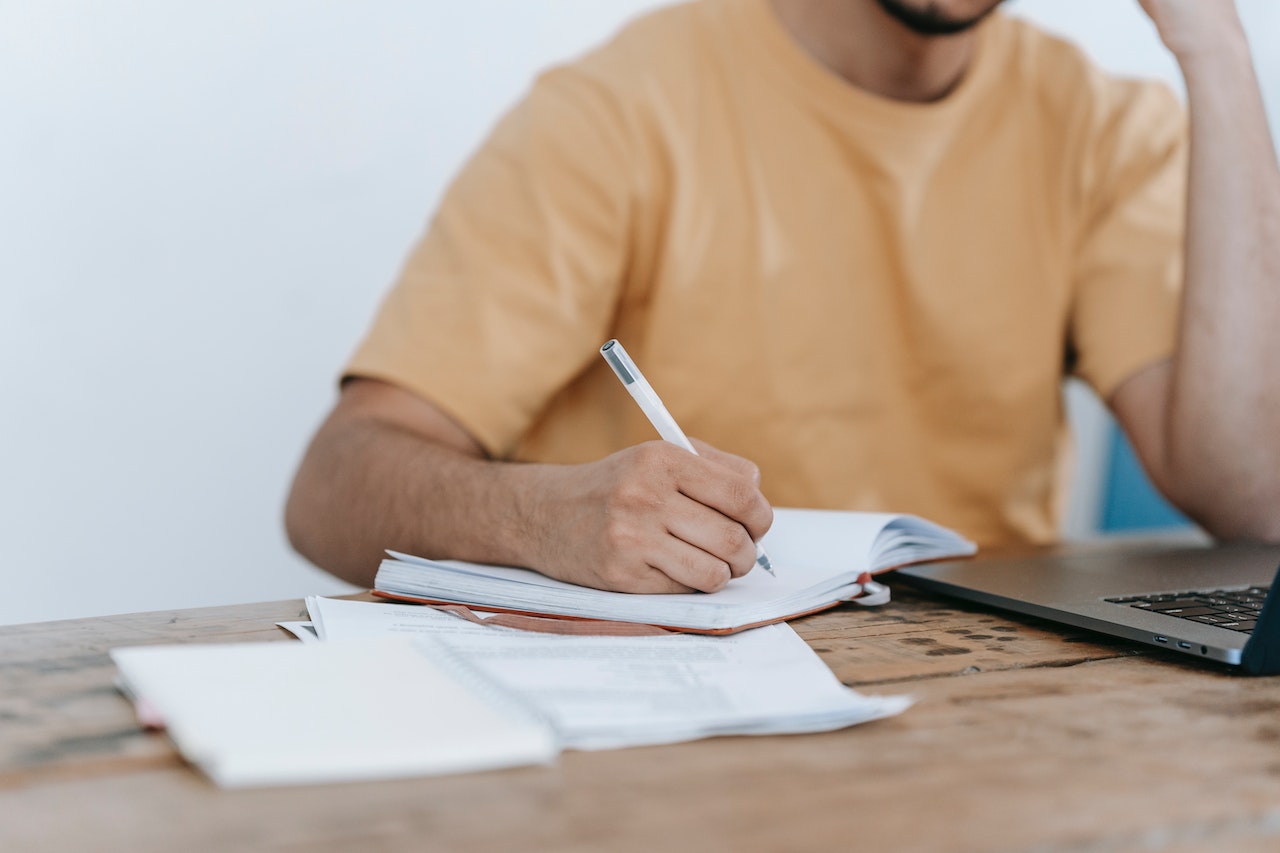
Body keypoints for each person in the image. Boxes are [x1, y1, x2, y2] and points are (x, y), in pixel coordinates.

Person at [285, 0, 1280, 594]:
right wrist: (537, 519)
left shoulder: (1105, 132)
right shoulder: (617, 112)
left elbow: (1251, 495)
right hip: (664, 722)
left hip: (981, 707)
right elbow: (332, 482)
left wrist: (1215, 48)